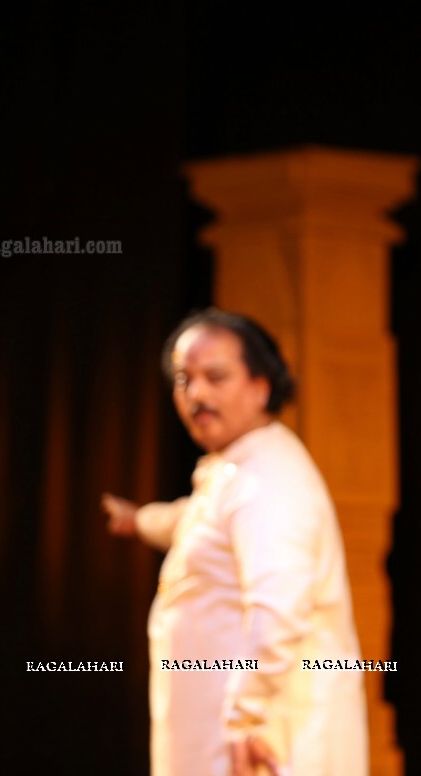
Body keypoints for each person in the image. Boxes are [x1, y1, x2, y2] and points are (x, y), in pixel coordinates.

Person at [103, 308, 367, 776]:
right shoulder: (238, 470)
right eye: (184, 380)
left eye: (215, 377)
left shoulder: (268, 479)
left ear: (261, 386)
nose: (196, 394)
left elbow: (277, 607)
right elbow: (192, 522)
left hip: (262, 744)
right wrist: (139, 521)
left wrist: (248, 716)